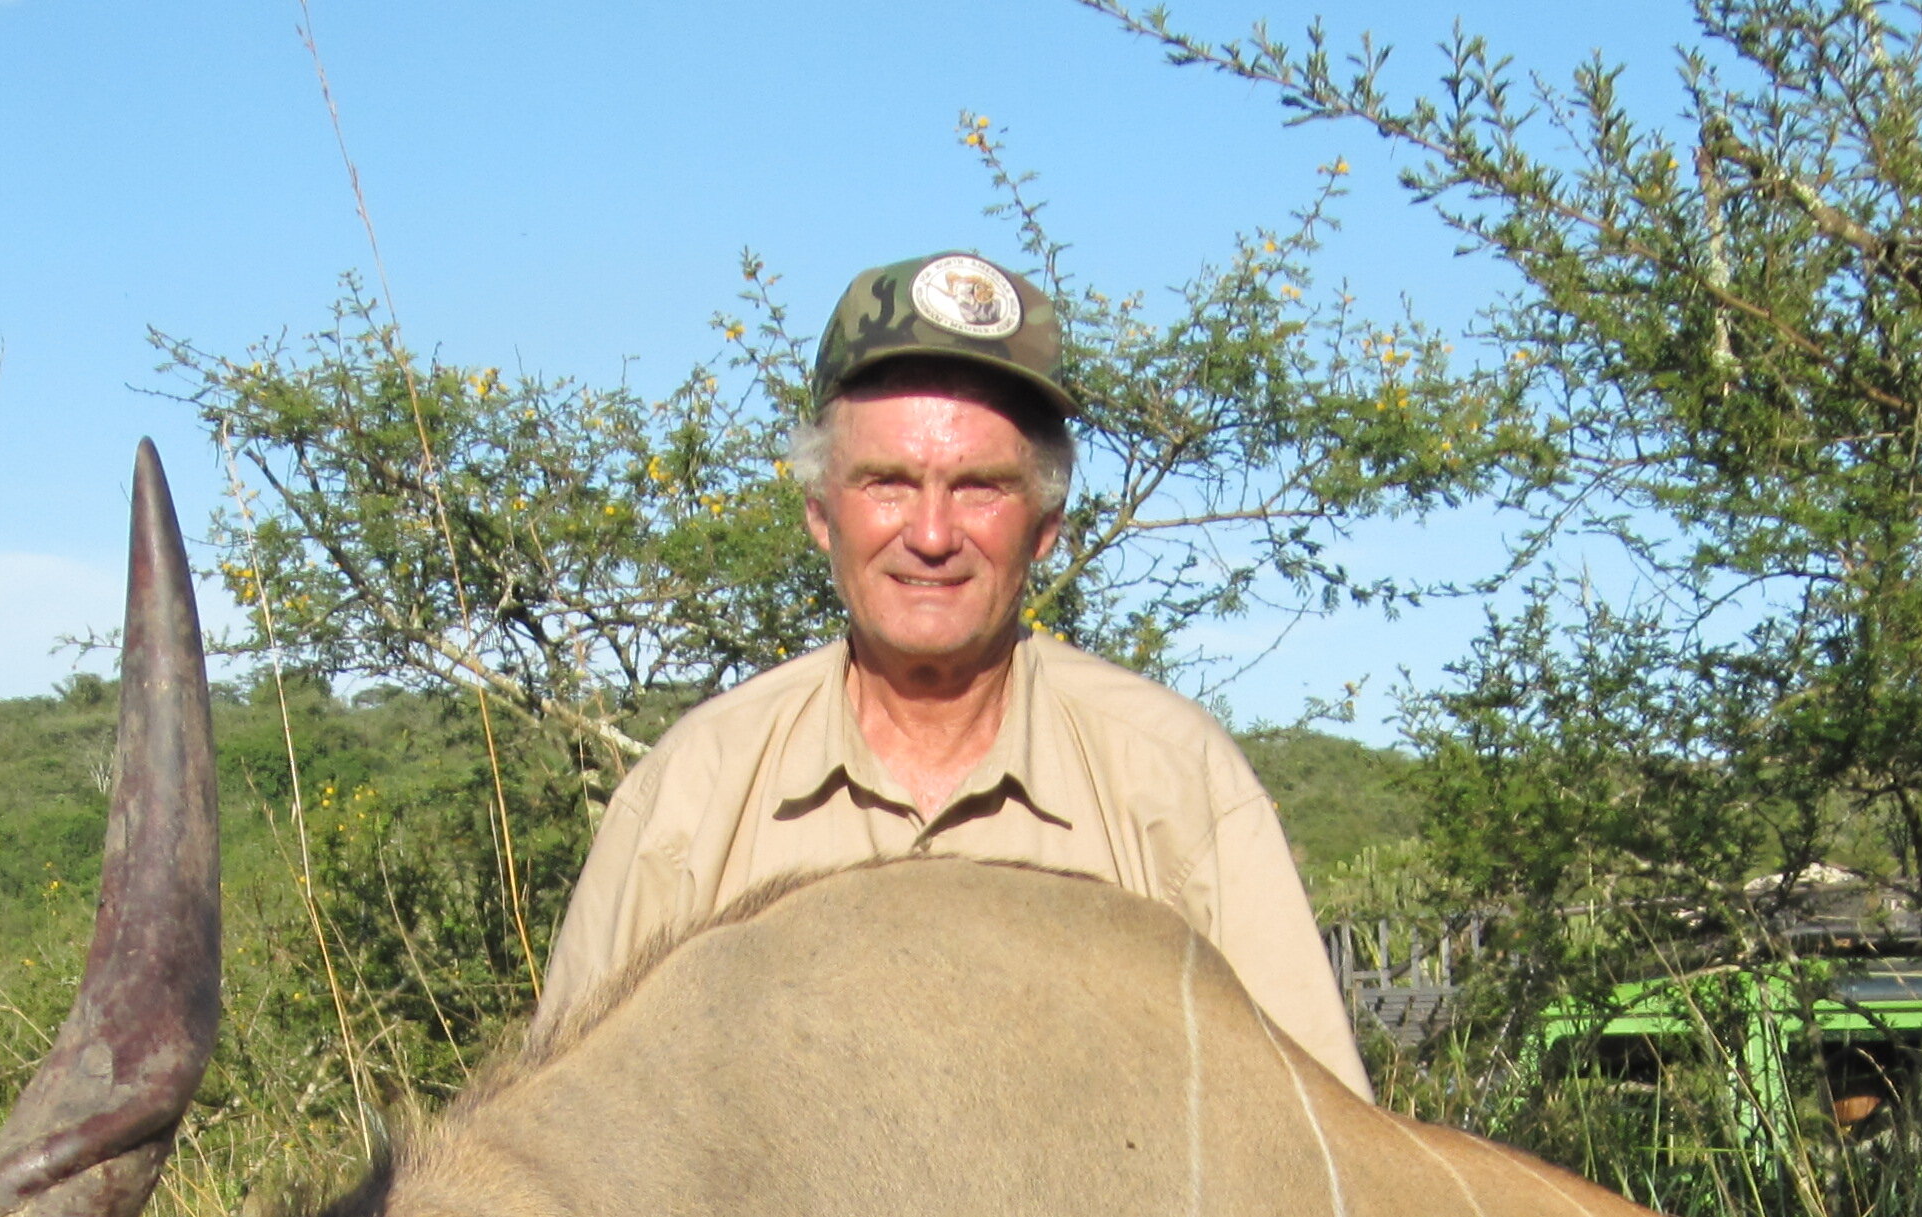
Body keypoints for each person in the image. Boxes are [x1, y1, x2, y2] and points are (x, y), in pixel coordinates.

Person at [532, 249, 1374, 1098]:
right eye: (888, 483)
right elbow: (559, 1170)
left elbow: (1328, 1164)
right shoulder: (688, 800)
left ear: (1046, 525)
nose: (931, 534)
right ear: (821, 512)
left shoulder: (1179, 788)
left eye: (980, 487)